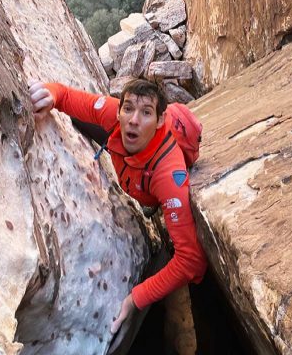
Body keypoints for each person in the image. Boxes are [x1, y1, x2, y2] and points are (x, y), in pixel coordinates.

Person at [29, 78, 207, 334]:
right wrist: (50, 94)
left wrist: (136, 297)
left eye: (146, 112)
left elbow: (192, 260)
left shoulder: (168, 177)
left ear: (159, 121)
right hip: (133, 168)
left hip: (153, 184)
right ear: (119, 110)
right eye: (128, 109)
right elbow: (65, 95)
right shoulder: (116, 116)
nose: (133, 120)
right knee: (80, 117)